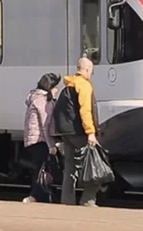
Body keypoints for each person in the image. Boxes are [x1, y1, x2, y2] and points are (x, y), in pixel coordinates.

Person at [52, 57, 101, 207]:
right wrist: (90, 132)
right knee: (96, 163)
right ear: (87, 69)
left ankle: (67, 201)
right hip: (79, 132)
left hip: (66, 133)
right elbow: (85, 111)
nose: (91, 74)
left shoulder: (69, 85)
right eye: (91, 71)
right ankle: (88, 199)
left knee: (69, 168)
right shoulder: (84, 85)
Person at [21, 72, 61, 203]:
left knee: (40, 169)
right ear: (49, 87)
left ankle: (44, 196)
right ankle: (34, 196)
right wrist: (51, 145)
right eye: (55, 87)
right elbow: (46, 124)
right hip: (40, 140)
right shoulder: (43, 101)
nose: (57, 90)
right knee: (42, 170)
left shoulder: (34, 98)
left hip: (32, 140)